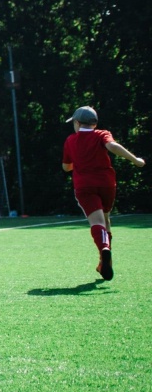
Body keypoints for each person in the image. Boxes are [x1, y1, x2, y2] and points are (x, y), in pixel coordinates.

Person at [62, 105, 145, 281]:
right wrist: (135, 160)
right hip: (107, 184)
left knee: (97, 222)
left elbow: (66, 167)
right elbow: (112, 146)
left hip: (85, 186)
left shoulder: (71, 140)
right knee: (106, 220)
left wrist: (78, 162)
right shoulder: (101, 134)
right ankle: (105, 262)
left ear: (77, 123)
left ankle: (104, 249)